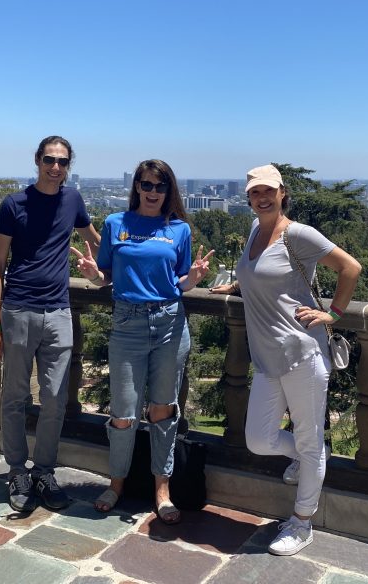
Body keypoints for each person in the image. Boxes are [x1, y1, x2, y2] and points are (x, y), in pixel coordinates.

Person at [210, 164, 361, 556]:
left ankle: (302, 521)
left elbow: (350, 268)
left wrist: (335, 314)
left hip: (302, 353)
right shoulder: (255, 232)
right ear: (248, 198)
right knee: (259, 440)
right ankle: (308, 458)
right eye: (255, 193)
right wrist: (235, 284)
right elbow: (257, 275)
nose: (262, 198)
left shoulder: (297, 234)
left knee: (309, 441)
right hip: (268, 358)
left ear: (282, 193)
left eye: (268, 192)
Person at [72, 159, 213, 524]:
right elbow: (105, 277)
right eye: (146, 185)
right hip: (127, 323)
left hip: (169, 323)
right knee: (123, 413)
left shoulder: (179, 229)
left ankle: (161, 490)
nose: (152, 192)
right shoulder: (115, 224)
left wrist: (194, 278)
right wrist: (93, 274)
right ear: (136, 187)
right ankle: (116, 483)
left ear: (169, 192)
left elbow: (179, 281)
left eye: (160, 186)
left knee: (163, 409)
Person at [0, 136, 101, 513]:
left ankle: (44, 472)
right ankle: (18, 471)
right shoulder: (13, 205)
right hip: (18, 310)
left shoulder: (73, 200)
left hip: (59, 312)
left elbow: (96, 243)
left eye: (63, 162)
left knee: (55, 400)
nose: (56, 167)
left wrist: (133, 260)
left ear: (69, 166)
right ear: (37, 161)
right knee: (15, 397)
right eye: (50, 160)